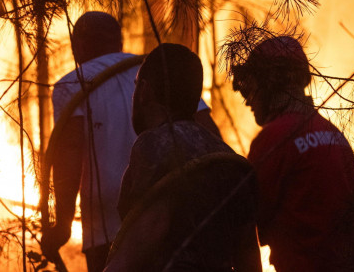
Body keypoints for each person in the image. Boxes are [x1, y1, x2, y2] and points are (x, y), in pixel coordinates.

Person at [41, 13, 216, 272]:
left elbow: (69, 151)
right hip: (180, 216)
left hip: (109, 225)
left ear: (77, 44)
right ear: (119, 41)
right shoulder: (159, 72)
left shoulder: (72, 83)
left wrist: (63, 225)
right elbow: (208, 134)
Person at [107, 43, 261, 272]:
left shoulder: (154, 145)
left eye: (136, 85)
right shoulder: (226, 155)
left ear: (145, 91)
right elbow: (248, 249)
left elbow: (150, 229)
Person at [231, 35, 354, 272]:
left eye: (252, 85)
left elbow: (244, 222)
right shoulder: (334, 135)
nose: (248, 100)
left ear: (270, 83)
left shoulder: (273, 140)